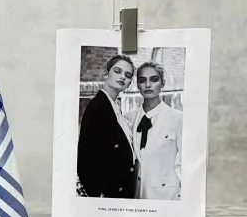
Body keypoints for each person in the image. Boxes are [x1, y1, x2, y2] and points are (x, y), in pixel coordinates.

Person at [77, 54, 139, 198]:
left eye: (128, 75)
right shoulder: (98, 106)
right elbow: (86, 157)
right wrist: (98, 195)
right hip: (110, 194)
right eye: (117, 71)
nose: (122, 77)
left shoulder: (114, 107)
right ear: (106, 74)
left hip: (121, 191)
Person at [128, 60, 183, 200]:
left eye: (154, 79)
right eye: (142, 80)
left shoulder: (178, 119)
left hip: (166, 196)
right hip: (134, 195)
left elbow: (185, 163)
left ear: (162, 83)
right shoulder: (128, 118)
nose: (148, 85)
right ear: (137, 85)